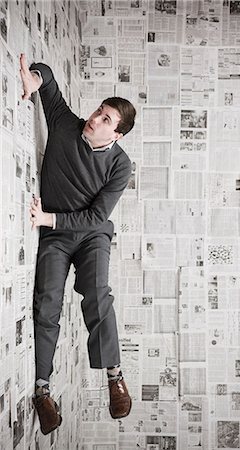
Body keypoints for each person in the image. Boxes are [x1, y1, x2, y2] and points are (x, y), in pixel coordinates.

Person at [19, 53, 136, 435]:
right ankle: (42, 389)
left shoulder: (121, 165)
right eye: (99, 110)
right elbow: (49, 79)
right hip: (55, 237)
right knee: (47, 301)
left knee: (96, 292)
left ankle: (114, 375)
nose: (95, 119)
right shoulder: (66, 124)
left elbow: (95, 217)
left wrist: (49, 218)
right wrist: (36, 79)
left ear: (116, 135)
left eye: (105, 120)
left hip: (90, 236)